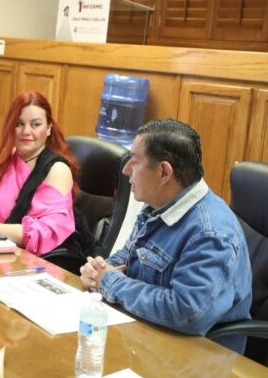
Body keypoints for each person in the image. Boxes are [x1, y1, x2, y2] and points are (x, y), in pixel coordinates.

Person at [79, 119, 251, 353]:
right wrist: (99, 270)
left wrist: (110, 282)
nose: (126, 169)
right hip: (149, 336)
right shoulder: (160, 203)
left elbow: (187, 312)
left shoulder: (211, 233)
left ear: (164, 172)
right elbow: (130, 254)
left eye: (135, 161)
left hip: (198, 356)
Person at [0, 91, 82, 257]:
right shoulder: (5, 159)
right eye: (19, 124)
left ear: (49, 129)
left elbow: (44, 233)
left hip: (37, 261)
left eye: (36, 124)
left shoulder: (57, 170)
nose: (26, 131)